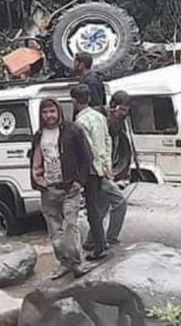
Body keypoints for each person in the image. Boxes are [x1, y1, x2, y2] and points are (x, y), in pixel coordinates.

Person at [31, 98, 91, 279]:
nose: (49, 115)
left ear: (58, 112)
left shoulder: (72, 131)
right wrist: (37, 181)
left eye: (52, 111)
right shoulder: (39, 136)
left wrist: (80, 181)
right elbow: (34, 161)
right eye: (45, 112)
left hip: (69, 188)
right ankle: (64, 263)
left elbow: (86, 157)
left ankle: (77, 263)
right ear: (41, 115)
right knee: (54, 230)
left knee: (70, 226)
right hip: (48, 188)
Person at [71, 84, 111, 261]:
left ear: (74, 101)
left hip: (91, 170)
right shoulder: (99, 116)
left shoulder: (80, 122)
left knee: (93, 209)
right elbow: (106, 140)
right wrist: (106, 165)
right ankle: (99, 241)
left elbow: (88, 149)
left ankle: (99, 246)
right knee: (98, 206)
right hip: (101, 167)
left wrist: (91, 168)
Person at [98, 92, 130, 248]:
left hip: (107, 169)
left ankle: (92, 240)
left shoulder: (118, 123)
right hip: (97, 169)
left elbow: (116, 145)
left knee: (103, 206)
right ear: (113, 106)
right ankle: (111, 238)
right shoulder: (100, 118)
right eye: (121, 110)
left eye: (126, 110)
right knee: (120, 202)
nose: (124, 114)